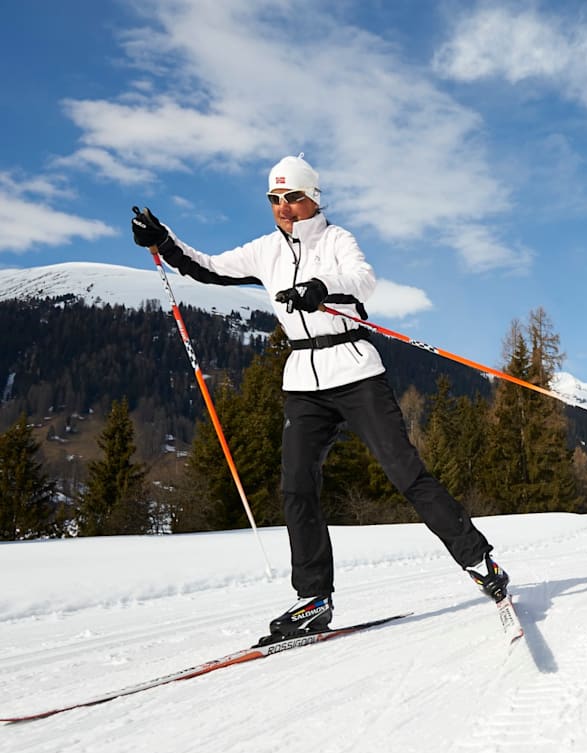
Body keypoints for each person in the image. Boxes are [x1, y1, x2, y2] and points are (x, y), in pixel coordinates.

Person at [132, 154, 510, 640]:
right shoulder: (264, 251)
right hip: (304, 381)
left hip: (354, 368)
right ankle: (313, 600)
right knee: (296, 487)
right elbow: (207, 268)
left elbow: (362, 279)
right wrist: (164, 241)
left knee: (405, 472)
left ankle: (480, 562)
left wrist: (319, 286)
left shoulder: (336, 240)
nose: (284, 208)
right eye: (275, 199)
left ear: (313, 197)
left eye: (293, 197)